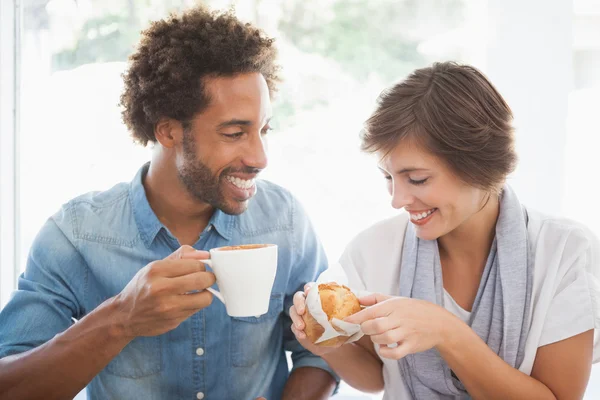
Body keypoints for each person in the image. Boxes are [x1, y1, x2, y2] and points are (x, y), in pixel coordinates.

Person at [0, 6, 338, 400]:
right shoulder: (76, 236)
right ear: (168, 131)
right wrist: (121, 318)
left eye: (264, 129)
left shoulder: (285, 221)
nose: (260, 157)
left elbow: (322, 352)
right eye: (234, 133)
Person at [290, 61, 600, 399]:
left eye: (417, 179)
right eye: (388, 178)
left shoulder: (563, 251)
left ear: (479, 165)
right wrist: (324, 343)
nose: (397, 200)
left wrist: (445, 332)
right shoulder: (373, 248)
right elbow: (375, 379)